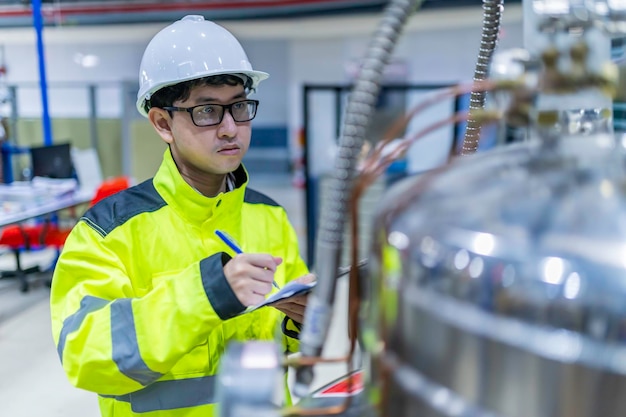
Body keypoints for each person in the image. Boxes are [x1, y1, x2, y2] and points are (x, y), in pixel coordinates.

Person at [50, 15, 313, 417]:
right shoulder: (108, 231)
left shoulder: (268, 215)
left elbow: (286, 345)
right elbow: (86, 355)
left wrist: (305, 321)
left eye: (239, 107)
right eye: (207, 110)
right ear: (162, 123)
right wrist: (207, 293)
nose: (230, 129)